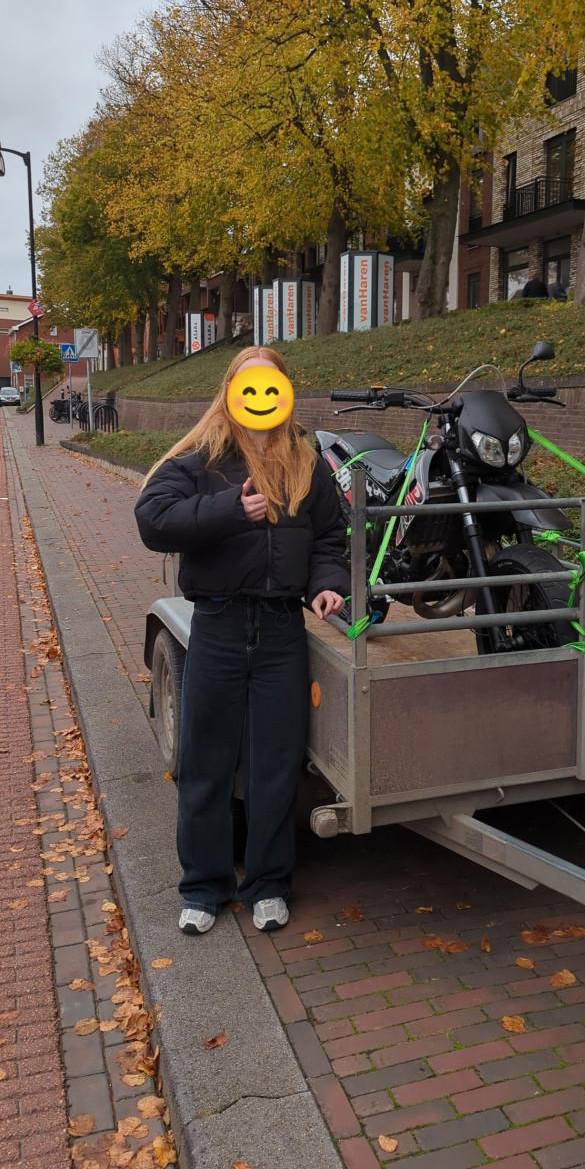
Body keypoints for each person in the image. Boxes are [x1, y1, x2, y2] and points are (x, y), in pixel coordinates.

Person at [134, 346, 350, 935]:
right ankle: (204, 888)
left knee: (275, 766)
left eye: (271, 387)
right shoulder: (200, 458)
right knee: (205, 763)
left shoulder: (306, 463)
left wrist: (327, 586)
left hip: (282, 632)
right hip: (219, 627)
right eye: (249, 387)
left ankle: (268, 884)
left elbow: (329, 537)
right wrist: (232, 508)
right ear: (230, 393)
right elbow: (153, 519)